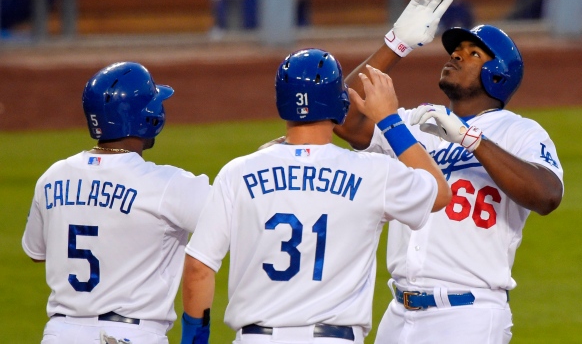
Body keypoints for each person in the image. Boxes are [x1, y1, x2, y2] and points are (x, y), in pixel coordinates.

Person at [180, 48, 452, 343]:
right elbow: (438, 193)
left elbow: (198, 267)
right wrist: (389, 120)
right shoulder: (373, 172)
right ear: (340, 102)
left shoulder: (237, 173)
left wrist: (194, 339)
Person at [333, 0, 565, 343]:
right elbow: (344, 118)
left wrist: (469, 139)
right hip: (398, 314)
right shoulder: (414, 122)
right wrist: (395, 44)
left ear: (497, 73)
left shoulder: (520, 132)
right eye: (456, 50)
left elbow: (547, 195)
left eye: (473, 53)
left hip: (468, 315)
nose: (456, 55)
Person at [21, 62, 211, 344]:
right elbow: (238, 221)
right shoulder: (168, 185)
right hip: (132, 335)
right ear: (147, 117)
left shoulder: (52, 177)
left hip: (60, 334)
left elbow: (36, 251)